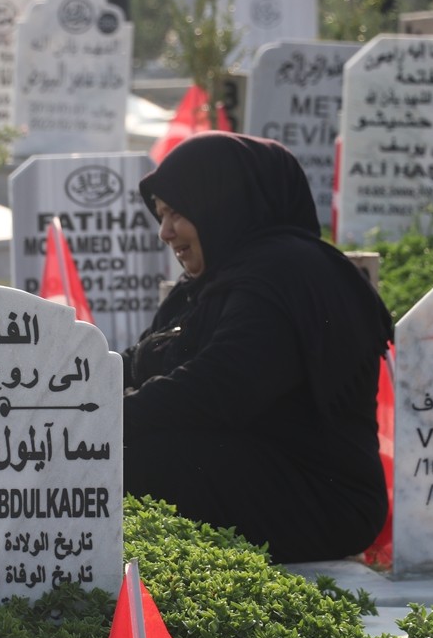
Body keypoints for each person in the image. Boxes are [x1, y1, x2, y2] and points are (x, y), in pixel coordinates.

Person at [122, 131, 394, 563]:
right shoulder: (215, 280)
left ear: (220, 204)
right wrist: (70, 384)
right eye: (160, 214)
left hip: (322, 502)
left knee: (128, 457)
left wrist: (101, 418)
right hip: (256, 472)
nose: (165, 232)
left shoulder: (287, 274)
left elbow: (216, 387)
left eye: (176, 212)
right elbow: (145, 360)